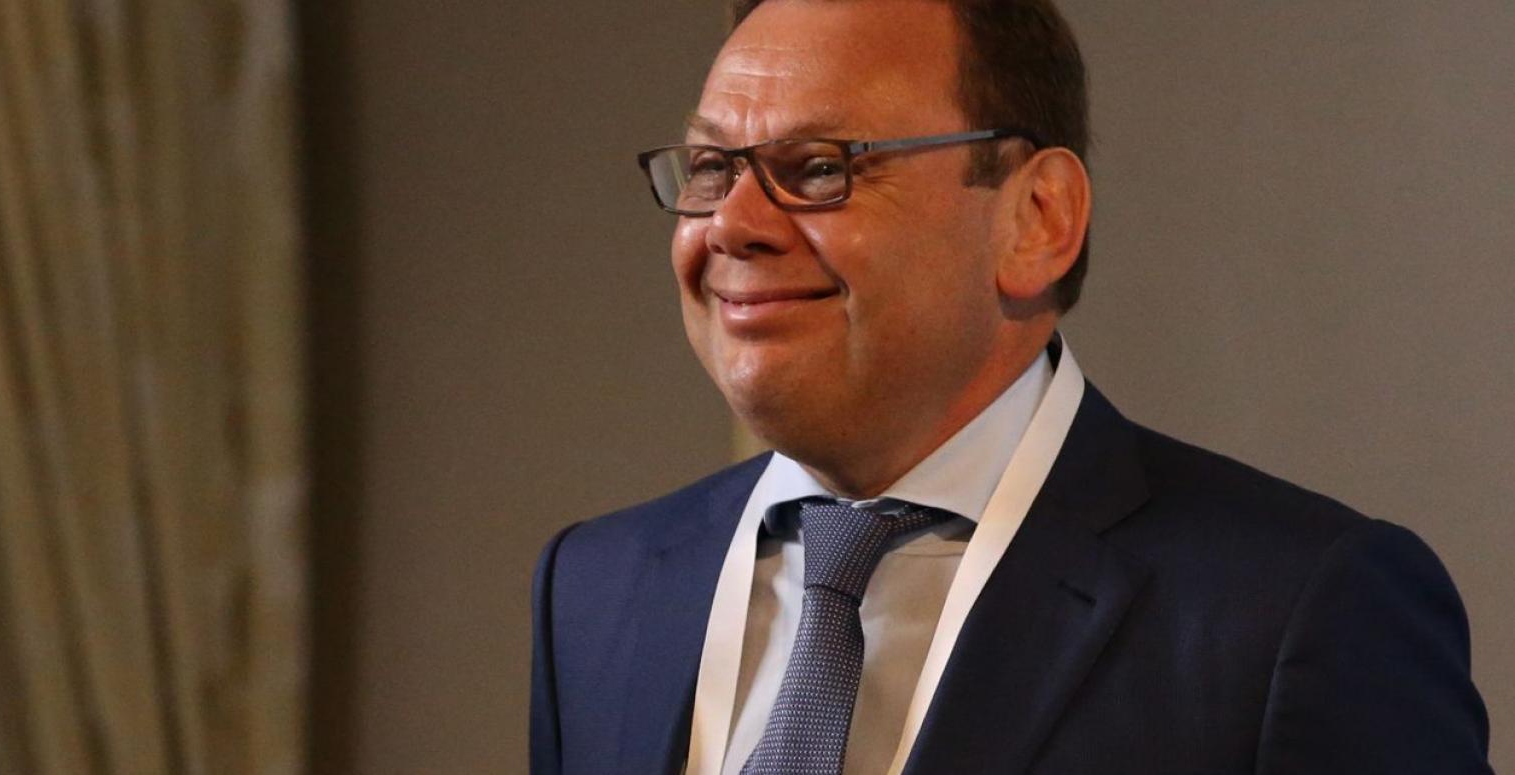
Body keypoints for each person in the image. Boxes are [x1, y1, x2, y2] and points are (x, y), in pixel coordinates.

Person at [529, 0, 1492, 772]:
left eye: (819, 169)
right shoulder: (595, 588)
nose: (733, 225)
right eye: (711, 168)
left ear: (1038, 218)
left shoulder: (1294, 610)